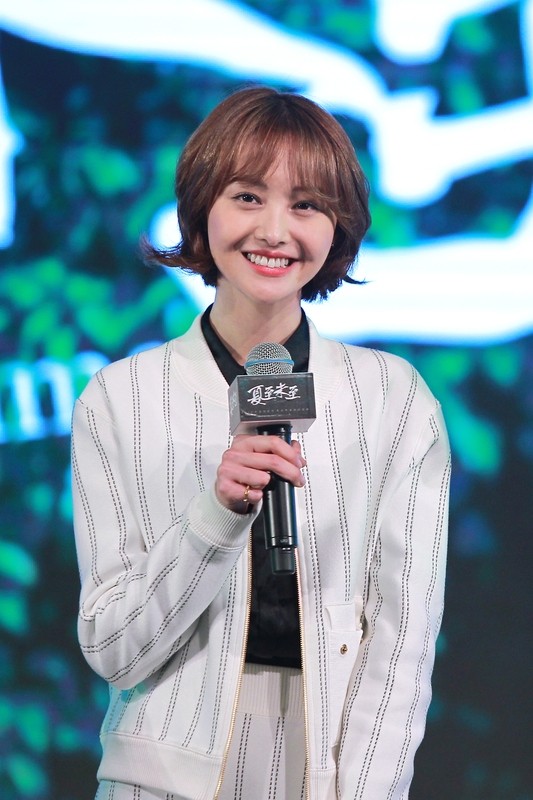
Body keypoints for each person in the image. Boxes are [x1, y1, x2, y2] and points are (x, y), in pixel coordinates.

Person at [71, 86, 451, 800]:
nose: (275, 231)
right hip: (158, 775)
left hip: (329, 770)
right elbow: (112, 647)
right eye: (247, 197)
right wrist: (214, 515)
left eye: (305, 205)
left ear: (337, 228)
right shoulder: (119, 398)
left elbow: (402, 638)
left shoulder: (394, 399)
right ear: (202, 207)